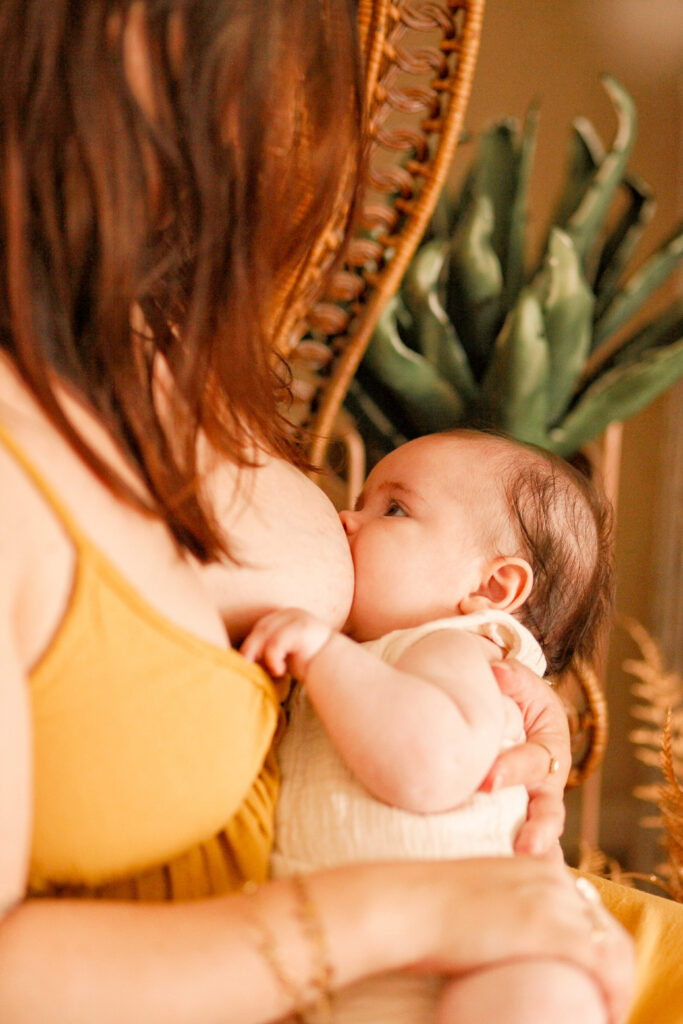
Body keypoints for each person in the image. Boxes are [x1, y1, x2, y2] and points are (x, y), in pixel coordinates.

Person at [0, 2, 676, 1023]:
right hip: (400, 960)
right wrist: (404, 911)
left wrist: (517, 715)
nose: (268, 129)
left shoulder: (176, 343)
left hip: (525, 932)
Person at [241, 428, 615, 1023]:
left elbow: (429, 770)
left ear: (491, 588)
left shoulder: (452, 648)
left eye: (393, 508)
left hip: (472, 963)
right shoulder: (375, 655)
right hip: (354, 965)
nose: (346, 518)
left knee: (542, 995)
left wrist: (321, 655)